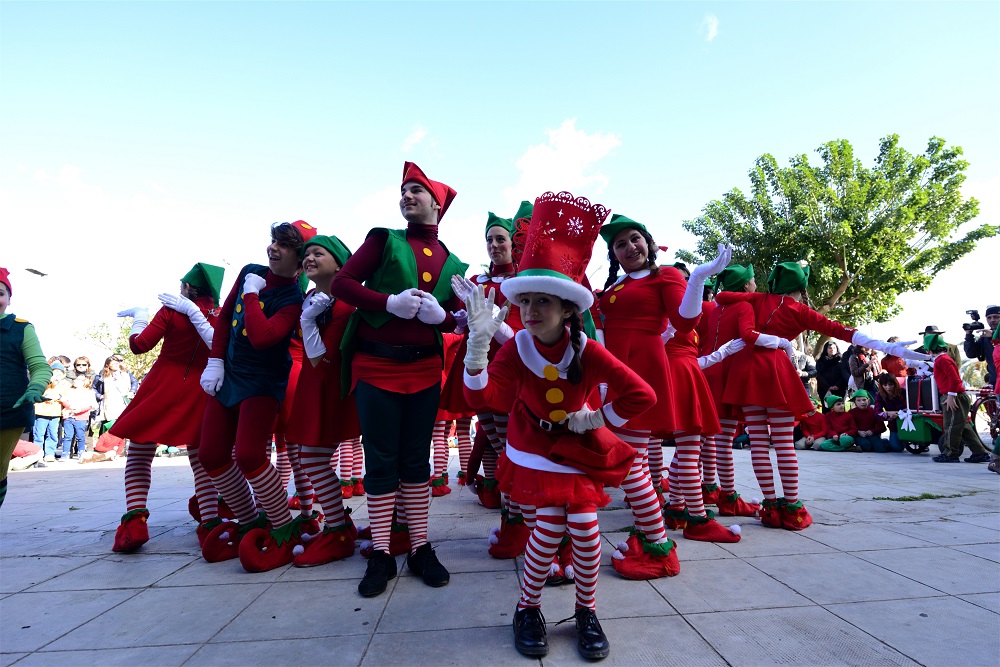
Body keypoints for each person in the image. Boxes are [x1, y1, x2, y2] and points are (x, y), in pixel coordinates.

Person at [462, 191, 656, 660]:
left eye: (543, 301)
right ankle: (527, 608)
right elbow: (482, 398)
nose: (530, 311)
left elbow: (642, 395)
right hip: (532, 447)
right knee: (548, 528)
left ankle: (586, 611)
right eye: (525, 300)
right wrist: (477, 349)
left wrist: (596, 417)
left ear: (568, 308)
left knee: (586, 530)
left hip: (576, 448)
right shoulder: (517, 348)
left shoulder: (587, 350)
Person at [330, 162, 466, 597]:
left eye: (416, 190)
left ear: (437, 205)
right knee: (381, 458)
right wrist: (387, 302)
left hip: (425, 369)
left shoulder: (454, 261)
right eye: (404, 190)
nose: (407, 196)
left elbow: (457, 320)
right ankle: (382, 552)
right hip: (377, 366)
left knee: (416, 459)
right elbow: (343, 284)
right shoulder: (383, 240)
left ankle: (420, 546)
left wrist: (442, 317)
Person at [715, 261, 927, 529]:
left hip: (745, 372)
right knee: (783, 443)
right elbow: (842, 331)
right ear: (800, 286)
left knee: (758, 442)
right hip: (775, 370)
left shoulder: (757, 298)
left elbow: (722, 296)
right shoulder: (800, 311)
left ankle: (770, 507)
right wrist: (887, 346)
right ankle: (791, 507)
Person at [196, 220, 315, 570]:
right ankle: (250, 521)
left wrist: (251, 294)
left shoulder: (293, 299)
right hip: (229, 376)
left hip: (263, 382)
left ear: (299, 260)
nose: (273, 248)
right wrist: (215, 361)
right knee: (211, 454)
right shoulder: (251, 270)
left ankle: (283, 528)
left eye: (284, 245)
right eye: (274, 240)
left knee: (250, 454)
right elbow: (224, 322)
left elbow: (262, 337)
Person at [108, 262, 225, 552]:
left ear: (187, 287)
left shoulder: (172, 310)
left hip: (161, 386)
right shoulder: (222, 316)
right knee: (202, 460)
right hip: (202, 390)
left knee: (139, 453)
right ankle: (210, 525)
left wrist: (139, 316)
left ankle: (135, 523)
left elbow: (139, 346)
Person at [448, 203, 533, 559]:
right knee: (500, 452)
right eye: (489, 240)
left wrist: (493, 324)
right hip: (479, 371)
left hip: (512, 374)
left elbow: (526, 331)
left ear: (514, 243)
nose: (494, 245)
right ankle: (512, 524)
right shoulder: (478, 283)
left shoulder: (522, 282)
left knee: (515, 453)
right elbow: (464, 328)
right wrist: (461, 320)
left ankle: (523, 527)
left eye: (500, 239)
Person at [283, 234, 363, 567]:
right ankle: (339, 525)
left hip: (331, 387)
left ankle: (338, 531)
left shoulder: (345, 303)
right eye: (306, 254)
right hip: (313, 385)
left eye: (318, 253)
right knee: (310, 458)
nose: (309, 258)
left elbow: (322, 359)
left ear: (340, 264)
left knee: (313, 460)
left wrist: (307, 319)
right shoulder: (313, 297)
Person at [0, 267, 52, 507]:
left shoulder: (21, 328)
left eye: (0, 293)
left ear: (9, 299)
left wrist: (35, 388)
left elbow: (40, 366)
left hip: (9, 410)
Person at [925, 330, 991, 463]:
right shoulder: (942, 359)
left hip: (954, 396)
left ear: (929, 350)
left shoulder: (943, 360)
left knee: (951, 426)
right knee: (962, 426)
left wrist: (951, 396)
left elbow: (954, 379)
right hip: (955, 395)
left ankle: (950, 453)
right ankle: (979, 452)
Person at [93, 355, 138, 438]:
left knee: (123, 424)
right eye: (114, 364)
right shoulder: (101, 376)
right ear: (108, 365)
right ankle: (105, 442)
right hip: (108, 405)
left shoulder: (125, 373)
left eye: (117, 363)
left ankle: (121, 443)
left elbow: (134, 382)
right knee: (108, 425)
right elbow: (93, 388)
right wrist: (99, 396)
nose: (117, 365)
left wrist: (132, 391)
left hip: (123, 402)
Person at [34, 362, 68, 461]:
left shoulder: (65, 384)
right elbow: (37, 392)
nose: (57, 375)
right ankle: (37, 454)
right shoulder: (44, 381)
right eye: (55, 372)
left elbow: (68, 396)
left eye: (60, 373)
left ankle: (49, 453)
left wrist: (59, 397)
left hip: (55, 412)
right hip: (41, 411)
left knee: (53, 434)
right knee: (39, 434)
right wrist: (49, 382)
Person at [59, 375, 98, 460]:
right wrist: (70, 406)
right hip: (68, 416)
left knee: (80, 436)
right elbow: (63, 400)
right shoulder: (69, 390)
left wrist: (80, 409)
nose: (75, 381)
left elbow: (92, 405)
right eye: (75, 379)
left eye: (78, 380)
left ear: (84, 382)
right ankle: (65, 453)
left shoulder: (89, 392)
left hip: (81, 417)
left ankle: (81, 453)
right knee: (67, 436)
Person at [965, 306, 999, 386]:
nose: (992, 320)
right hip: (995, 383)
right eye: (989, 318)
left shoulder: (990, 335)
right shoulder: (985, 337)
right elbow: (971, 354)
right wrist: (969, 335)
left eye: (996, 317)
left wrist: (994, 335)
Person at [873, 373, 907, 453]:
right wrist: (887, 414)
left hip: (907, 421)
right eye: (885, 385)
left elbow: (912, 407)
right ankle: (886, 441)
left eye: (890, 384)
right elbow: (877, 412)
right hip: (894, 425)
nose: (888, 387)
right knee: (897, 448)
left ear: (895, 383)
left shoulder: (903, 392)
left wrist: (899, 413)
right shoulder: (880, 395)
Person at [816, 341, 850, 412]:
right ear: (826, 349)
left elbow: (843, 374)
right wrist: (828, 387)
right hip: (824, 389)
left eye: (834, 348)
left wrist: (837, 385)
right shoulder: (820, 361)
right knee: (827, 409)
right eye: (830, 348)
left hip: (839, 389)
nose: (832, 350)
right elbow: (819, 375)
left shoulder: (841, 360)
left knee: (840, 408)